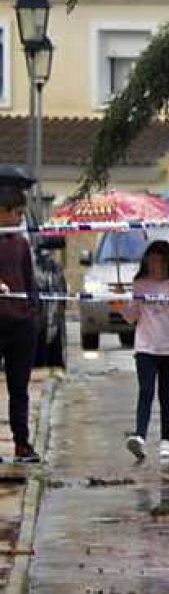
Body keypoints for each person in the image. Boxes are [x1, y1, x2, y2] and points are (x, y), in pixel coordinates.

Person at [122, 241, 169, 462]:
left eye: (158, 261)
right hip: (146, 346)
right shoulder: (140, 285)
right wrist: (125, 304)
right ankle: (140, 436)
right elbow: (131, 317)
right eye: (150, 260)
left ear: (166, 262)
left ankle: (166, 440)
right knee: (146, 390)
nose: (153, 265)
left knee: (166, 394)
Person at [0, 189, 39, 463]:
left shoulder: (21, 244)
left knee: (19, 388)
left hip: (21, 324)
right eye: (17, 213)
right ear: (2, 210)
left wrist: (32, 311)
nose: (20, 218)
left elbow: (29, 279)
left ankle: (22, 443)